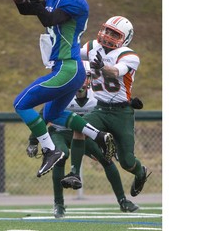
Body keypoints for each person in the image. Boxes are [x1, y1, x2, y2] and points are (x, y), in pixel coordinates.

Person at [0, 0, 115, 178]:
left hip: (68, 68)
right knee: (53, 113)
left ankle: (50, 150)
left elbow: (50, 18)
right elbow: (30, 11)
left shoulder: (76, 1)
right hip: (66, 69)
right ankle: (98, 136)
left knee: (21, 104)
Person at [26, 62, 141, 218]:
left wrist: (128, 102)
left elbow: (110, 112)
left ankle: (122, 201)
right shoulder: (62, 93)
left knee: (106, 159)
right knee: (61, 154)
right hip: (60, 133)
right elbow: (43, 116)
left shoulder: (98, 95)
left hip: (83, 135)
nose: (82, 81)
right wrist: (33, 141)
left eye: (85, 77)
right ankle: (58, 204)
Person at [62, 16, 151, 197]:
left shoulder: (129, 55)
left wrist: (102, 67)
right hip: (101, 109)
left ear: (125, 38)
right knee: (79, 128)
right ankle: (74, 174)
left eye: (114, 33)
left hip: (122, 113)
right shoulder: (93, 46)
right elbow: (72, 55)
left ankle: (141, 172)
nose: (107, 35)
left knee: (127, 162)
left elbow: (116, 71)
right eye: (107, 30)